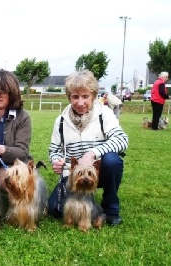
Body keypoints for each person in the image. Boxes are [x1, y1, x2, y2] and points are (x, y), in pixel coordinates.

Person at [48, 70, 128, 226]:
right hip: (72, 176)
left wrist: (93, 153)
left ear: (93, 95)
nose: (80, 102)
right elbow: (54, 149)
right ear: (69, 97)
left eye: (85, 96)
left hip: (99, 171)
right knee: (54, 210)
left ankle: (110, 209)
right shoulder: (61, 121)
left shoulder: (104, 114)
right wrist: (56, 160)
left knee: (113, 161)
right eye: (75, 97)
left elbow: (122, 140)